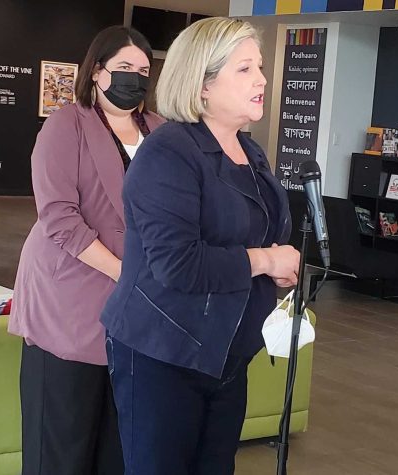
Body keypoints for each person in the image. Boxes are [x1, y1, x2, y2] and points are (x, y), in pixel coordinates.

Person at [101, 17, 300, 475]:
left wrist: (277, 267)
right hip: (164, 352)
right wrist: (265, 259)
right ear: (203, 84)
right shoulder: (168, 153)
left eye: (260, 68)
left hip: (226, 353)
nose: (262, 79)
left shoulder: (252, 153)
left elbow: (256, 240)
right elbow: (179, 265)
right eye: (245, 69)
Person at [8, 26, 165, 475]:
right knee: (61, 442)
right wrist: (123, 273)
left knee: (118, 446)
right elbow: (59, 217)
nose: (134, 77)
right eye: (123, 69)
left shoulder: (160, 131)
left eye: (142, 70)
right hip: (69, 298)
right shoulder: (65, 124)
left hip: (137, 309)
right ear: (97, 72)